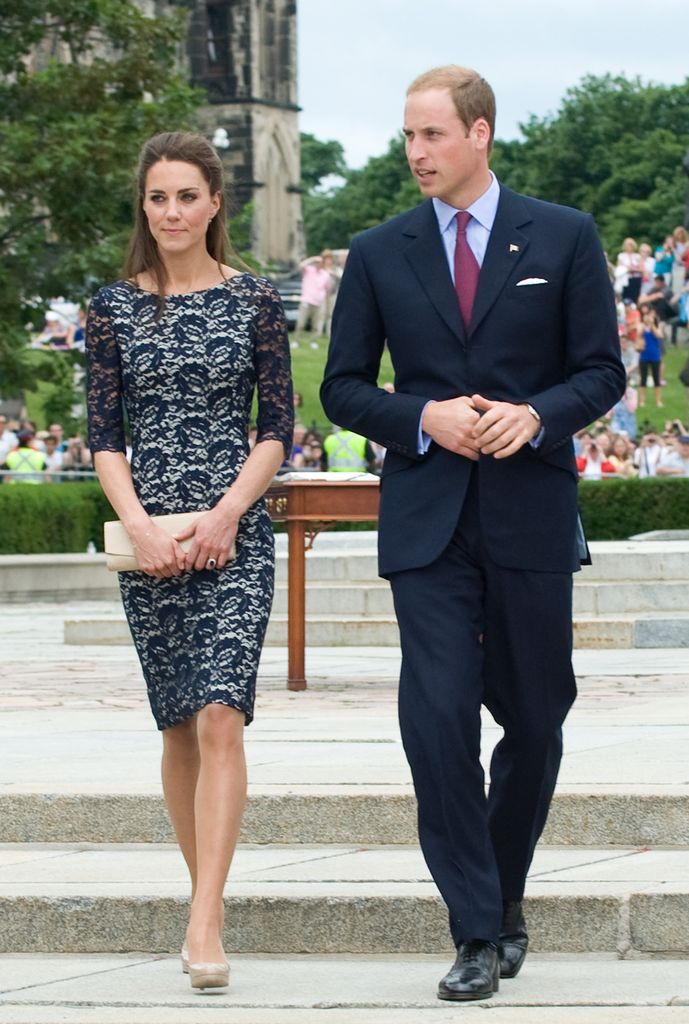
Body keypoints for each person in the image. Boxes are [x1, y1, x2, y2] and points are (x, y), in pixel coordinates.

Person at [320, 64, 625, 1002]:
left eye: (431, 136)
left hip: (529, 511)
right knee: (437, 718)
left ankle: (503, 897)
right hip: (428, 523)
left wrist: (534, 417)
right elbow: (341, 387)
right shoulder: (377, 251)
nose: (414, 153)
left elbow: (601, 372)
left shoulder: (565, 235)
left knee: (536, 720)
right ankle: (474, 929)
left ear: (480, 134)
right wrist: (423, 420)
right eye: (407, 137)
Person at [85, 131, 293, 992]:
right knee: (176, 721)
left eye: (186, 196)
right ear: (146, 206)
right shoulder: (110, 307)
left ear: (215, 204)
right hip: (152, 540)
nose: (171, 211)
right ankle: (203, 893)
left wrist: (227, 514)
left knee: (218, 714)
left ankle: (203, 920)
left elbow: (277, 427)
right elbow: (105, 436)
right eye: (157, 197)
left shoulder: (255, 301)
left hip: (232, 530)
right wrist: (137, 525)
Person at [637, 307, 664, 408]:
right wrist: (645, 324)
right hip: (644, 355)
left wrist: (652, 325)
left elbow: (659, 335)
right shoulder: (642, 326)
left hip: (655, 356)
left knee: (656, 379)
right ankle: (642, 401)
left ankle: (658, 401)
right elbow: (638, 335)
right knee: (643, 379)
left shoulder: (658, 326)